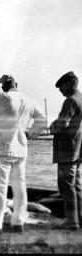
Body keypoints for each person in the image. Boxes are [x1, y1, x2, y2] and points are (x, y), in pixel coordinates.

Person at [0, 74, 47, 234]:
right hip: (21, 148)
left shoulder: (4, 97)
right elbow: (42, 119)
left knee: (1, 188)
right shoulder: (29, 100)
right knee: (20, 187)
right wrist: (30, 134)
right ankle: (18, 223)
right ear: (17, 83)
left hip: (3, 149)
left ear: (4, 86)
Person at [50, 71, 82, 231]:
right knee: (76, 184)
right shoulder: (81, 98)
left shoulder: (71, 100)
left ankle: (72, 221)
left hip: (67, 150)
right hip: (78, 150)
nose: (60, 90)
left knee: (66, 186)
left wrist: (51, 127)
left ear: (68, 84)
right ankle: (79, 219)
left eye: (61, 87)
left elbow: (62, 122)